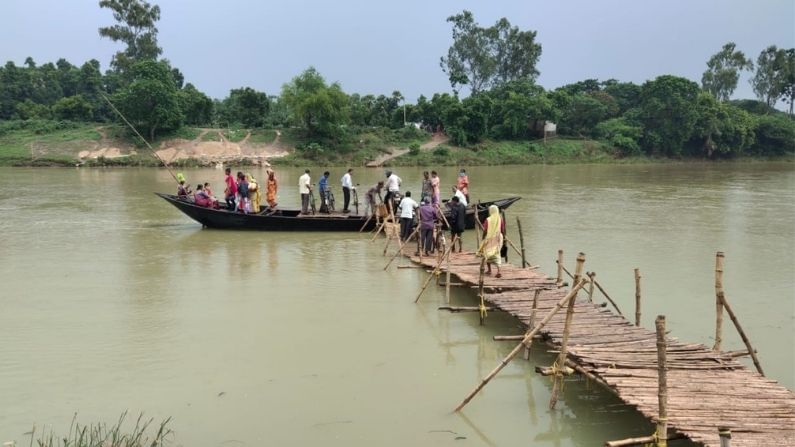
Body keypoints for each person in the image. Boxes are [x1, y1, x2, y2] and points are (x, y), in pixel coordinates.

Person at [479, 205, 505, 278]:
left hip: (490, 237)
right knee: (497, 252)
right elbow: (502, 230)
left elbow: (485, 230)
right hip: (498, 237)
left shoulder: (488, 219)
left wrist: (483, 238)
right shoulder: (500, 219)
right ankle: (499, 271)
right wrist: (503, 237)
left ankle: (489, 270)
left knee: (487, 253)